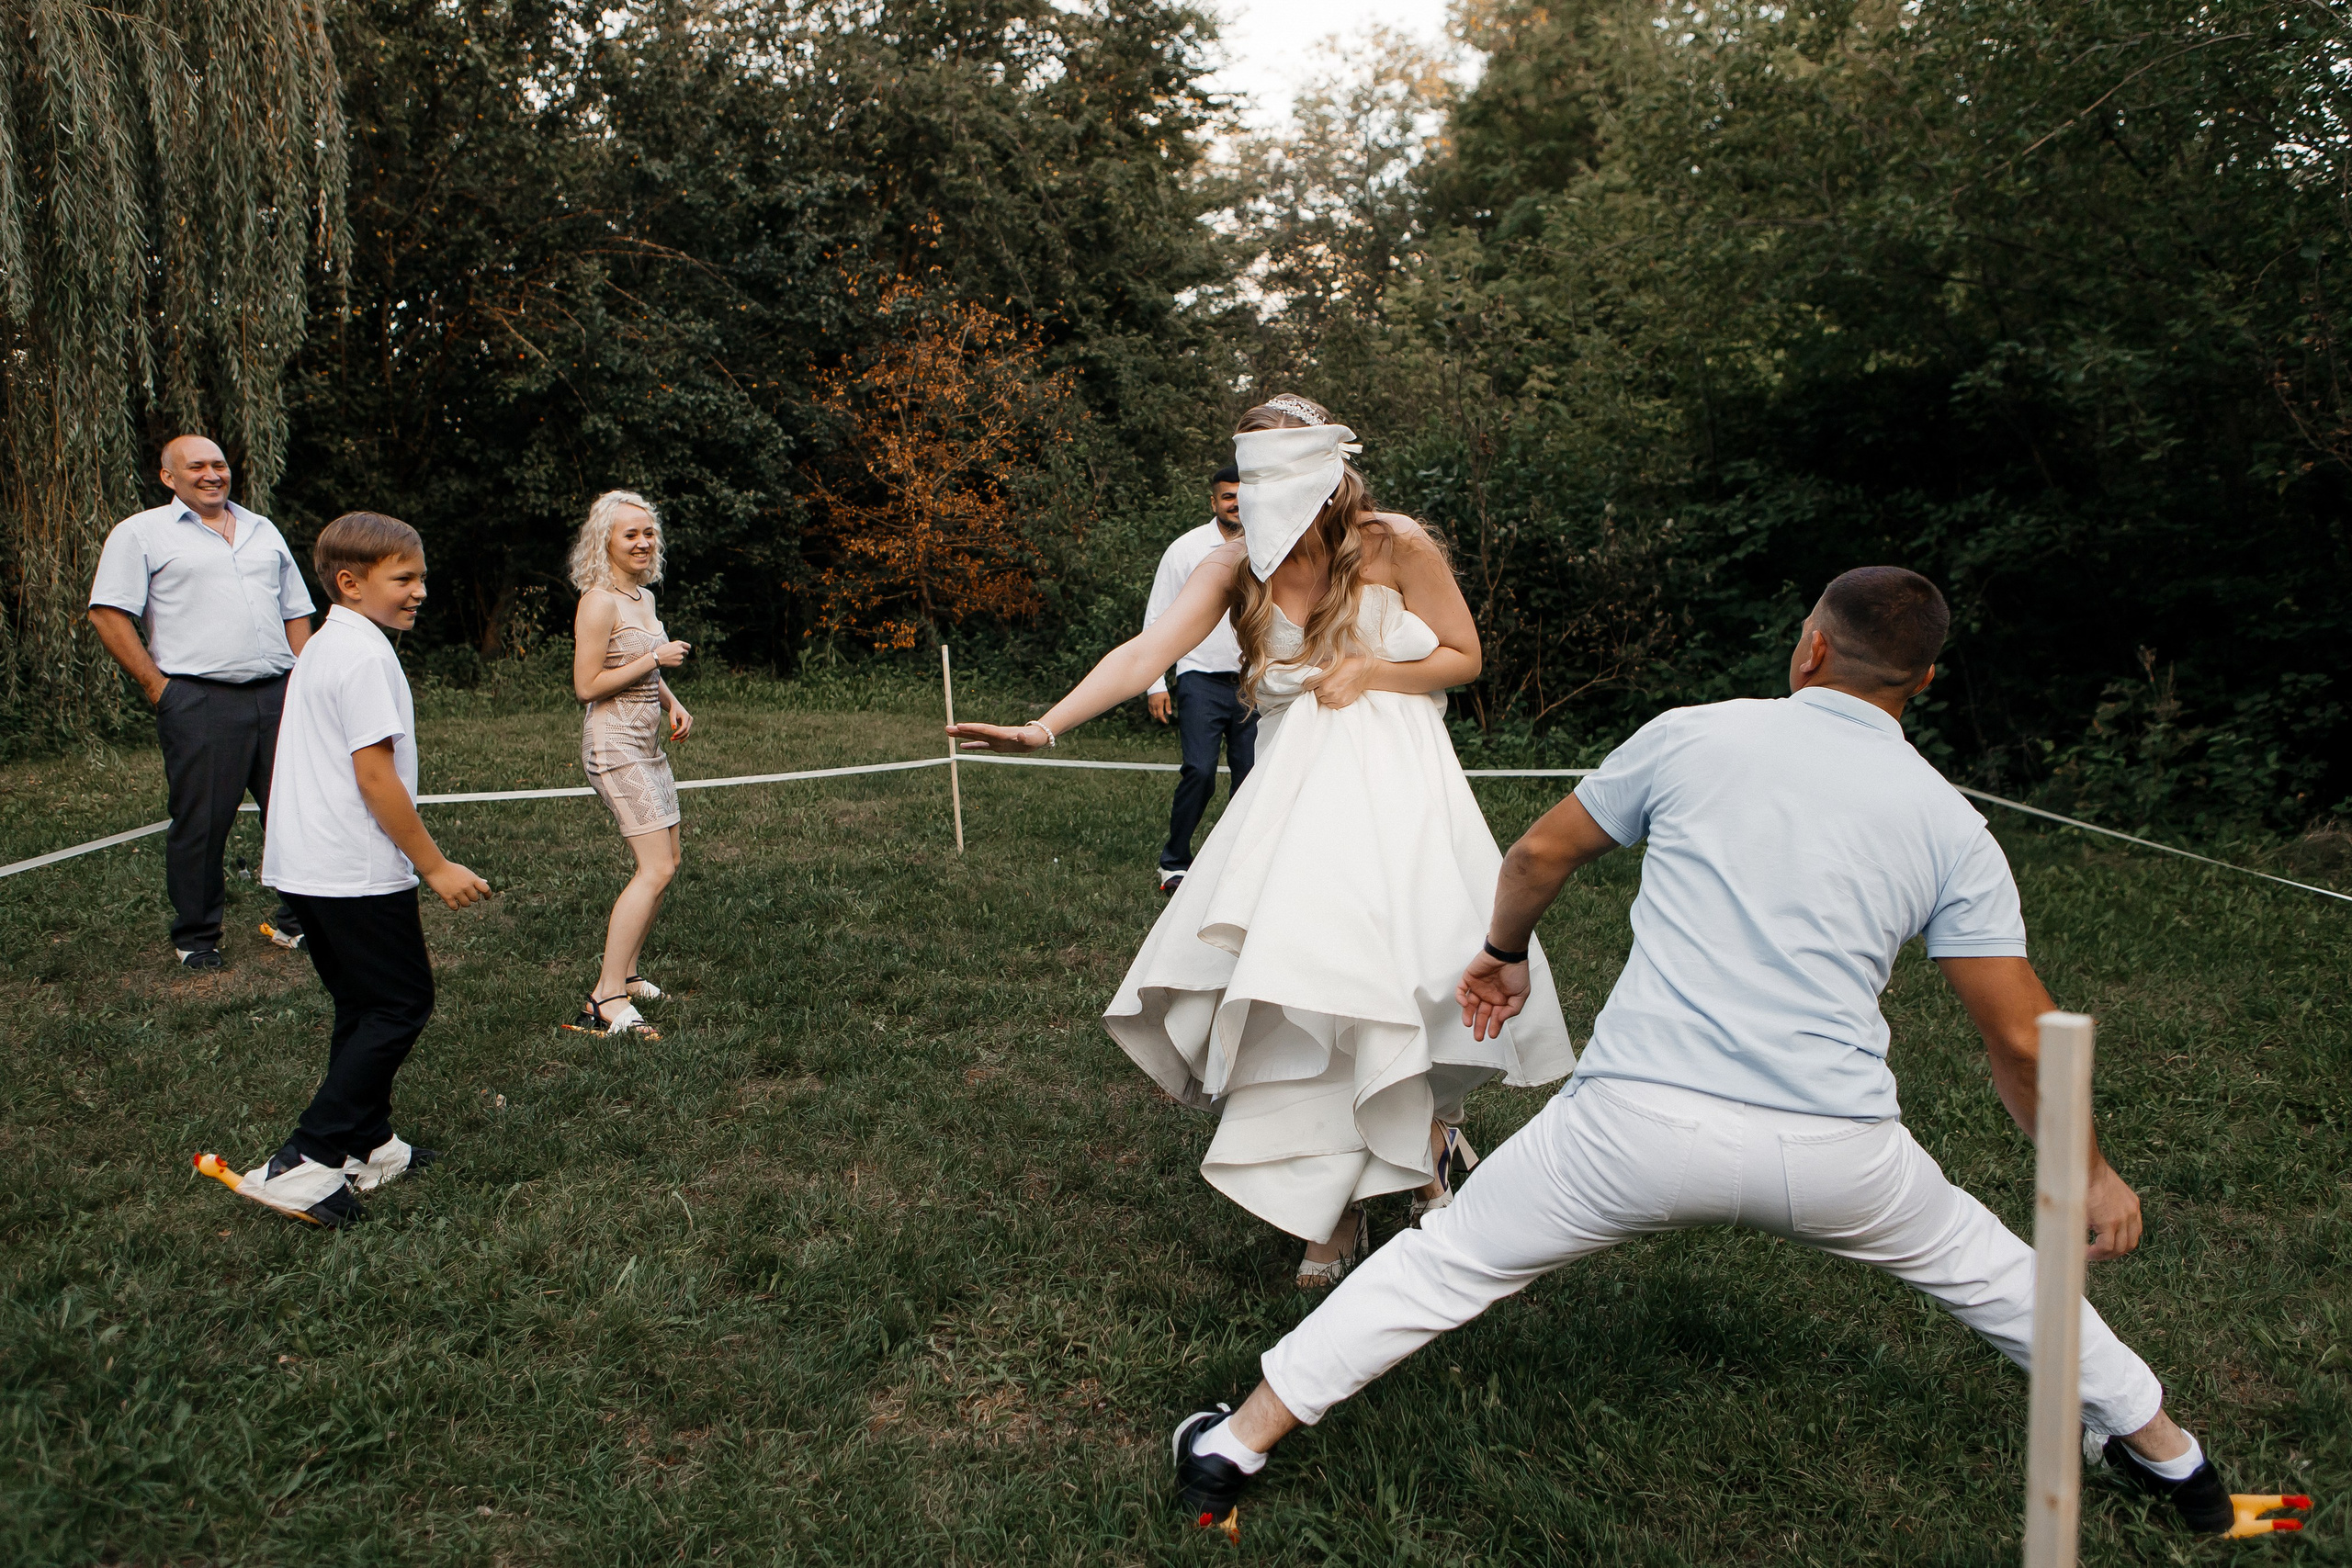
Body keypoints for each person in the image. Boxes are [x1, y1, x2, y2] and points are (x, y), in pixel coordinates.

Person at [1166, 567, 2245, 1540]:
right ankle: (2176, 1464)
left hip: (1633, 1129)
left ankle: (1233, 1444)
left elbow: (1541, 850)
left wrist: (1501, 954)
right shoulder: (1950, 823)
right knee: (2006, 1281)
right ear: (1922, 679)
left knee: (1443, 1267)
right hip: (1838, 1152)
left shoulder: (1696, 734)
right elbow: (2018, 1038)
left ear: (1810, 648)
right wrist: (2090, 1169)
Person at [950, 395, 1575, 1288]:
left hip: (1397, 781)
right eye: (1253, 471)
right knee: (1305, 984)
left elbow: (1464, 656)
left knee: (1400, 972)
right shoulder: (1234, 564)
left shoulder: (1396, 542)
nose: (1264, 489)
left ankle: (1425, 1139)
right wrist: (1044, 727)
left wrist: (1372, 669)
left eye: (1288, 466)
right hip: (1291, 795)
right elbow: (1143, 653)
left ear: (1330, 462)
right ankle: (1338, 1207)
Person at [216, 513, 491, 1228]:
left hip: (306, 864)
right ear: (350, 581)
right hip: (354, 867)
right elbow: (375, 777)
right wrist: (434, 865)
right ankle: (304, 1159)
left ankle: (367, 1144)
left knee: (365, 1004)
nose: (420, 591)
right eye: (404, 578)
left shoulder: (330, 644)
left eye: (421, 576)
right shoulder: (364, 656)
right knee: (401, 1004)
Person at [87, 434, 316, 969]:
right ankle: (196, 938)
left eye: (219, 464)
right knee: (202, 823)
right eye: (197, 466)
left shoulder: (262, 530)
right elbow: (107, 613)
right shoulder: (140, 533)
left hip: (280, 693)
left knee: (294, 814)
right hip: (199, 699)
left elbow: (295, 612)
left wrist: (306, 682)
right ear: (170, 477)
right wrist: (157, 687)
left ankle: (299, 923)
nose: (212, 474)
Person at [567, 490, 693, 1038]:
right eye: (630, 535)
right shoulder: (598, 601)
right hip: (613, 746)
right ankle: (605, 997)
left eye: (648, 533)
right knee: (655, 867)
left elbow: (645, 668)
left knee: (670, 859)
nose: (643, 543)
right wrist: (654, 658)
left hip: (648, 744)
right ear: (606, 542)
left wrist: (671, 700)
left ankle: (632, 974)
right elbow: (586, 685)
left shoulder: (641, 596)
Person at [1144, 465, 1257, 894]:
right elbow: (1157, 618)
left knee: (1251, 778)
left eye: (1243, 496)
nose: (1236, 503)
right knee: (1200, 770)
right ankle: (1174, 862)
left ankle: (1236, 868)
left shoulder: (1271, 546)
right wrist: (1156, 683)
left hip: (1255, 683)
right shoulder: (1186, 549)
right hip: (1200, 679)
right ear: (1214, 502)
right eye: (1228, 496)